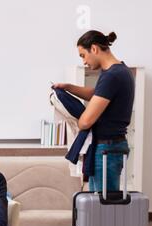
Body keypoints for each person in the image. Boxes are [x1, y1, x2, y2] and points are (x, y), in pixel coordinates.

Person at [53, 30, 134, 192]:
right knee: (100, 205)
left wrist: (75, 118)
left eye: (83, 55)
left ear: (94, 49)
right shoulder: (119, 71)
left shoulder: (112, 76)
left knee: (103, 207)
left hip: (107, 150)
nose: (83, 61)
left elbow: (85, 122)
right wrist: (68, 88)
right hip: (111, 147)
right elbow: (97, 94)